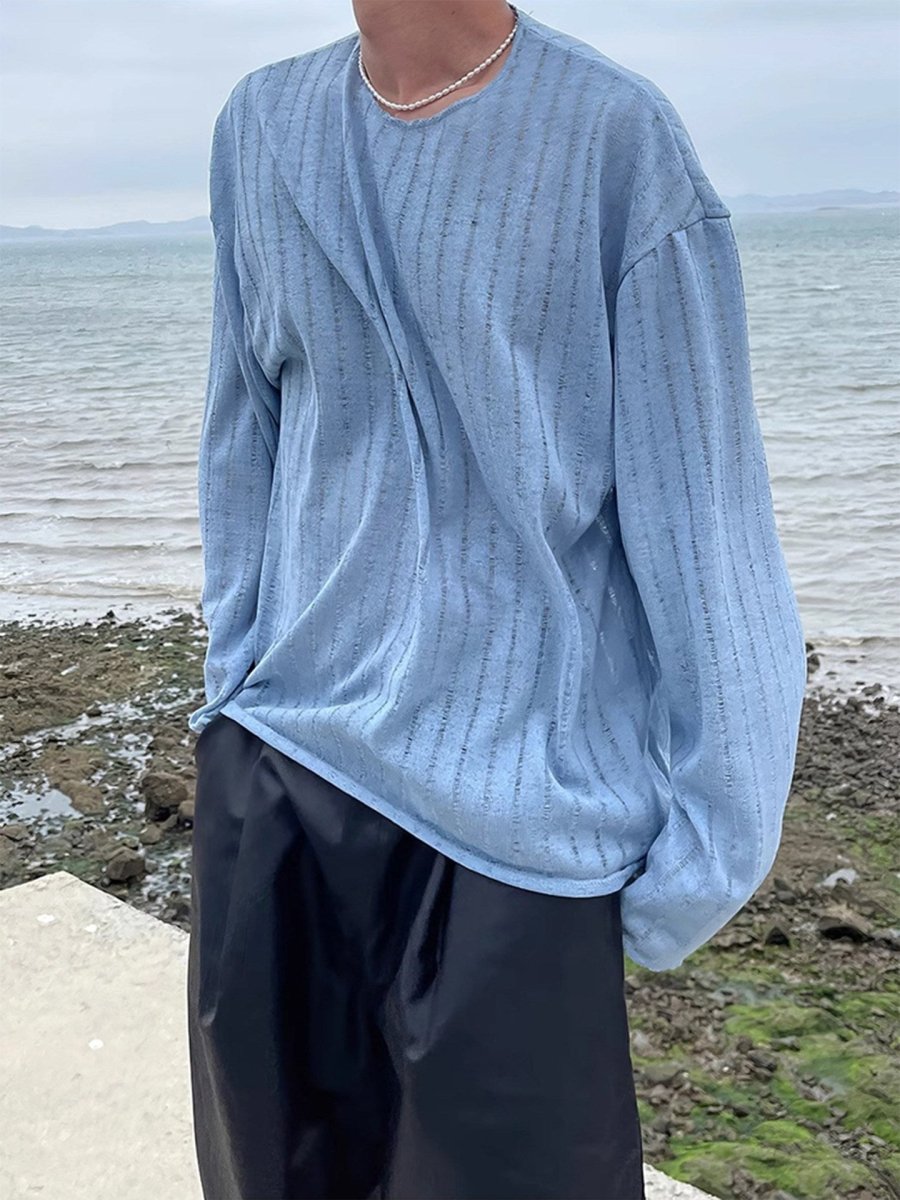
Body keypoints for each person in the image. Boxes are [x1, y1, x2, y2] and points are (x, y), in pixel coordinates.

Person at [185, 3, 807, 1198]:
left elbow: (705, 513)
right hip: (280, 790)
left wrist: (711, 849)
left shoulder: (618, 141)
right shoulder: (258, 125)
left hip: (519, 843)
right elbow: (241, 435)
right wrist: (232, 698)